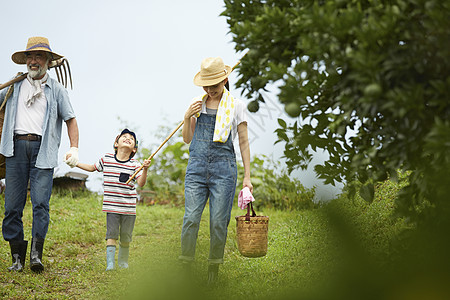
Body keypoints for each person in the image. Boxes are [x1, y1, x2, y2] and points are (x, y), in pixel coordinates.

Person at [0, 37, 79, 273]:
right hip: (14, 149)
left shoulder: (56, 90)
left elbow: (71, 119)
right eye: (30, 57)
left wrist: (74, 147)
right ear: (26, 60)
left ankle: (36, 255)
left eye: (39, 57)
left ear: (47, 61)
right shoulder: (13, 86)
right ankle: (17, 257)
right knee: (12, 205)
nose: (34, 61)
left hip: (42, 152)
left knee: (41, 204)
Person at [180, 57, 253, 284]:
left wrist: (247, 177)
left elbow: (243, 142)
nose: (210, 90)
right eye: (206, 85)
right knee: (191, 218)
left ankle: (214, 267)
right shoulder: (197, 103)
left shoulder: (237, 106)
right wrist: (186, 116)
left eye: (214, 84)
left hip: (224, 169)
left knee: (219, 222)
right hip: (197, 167)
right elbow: (187, 139)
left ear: (225, 80)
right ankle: (186, 264)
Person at [73, 129, 150, 271]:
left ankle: (123, 262)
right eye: (124, 137)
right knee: (111, 234)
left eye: (131, 139)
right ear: (116, 143)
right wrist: (75, 163)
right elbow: (91, 168)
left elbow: (141, 183)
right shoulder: (106, 159)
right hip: (112, 207)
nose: (127, 138)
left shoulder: (135, 164)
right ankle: (110, 263)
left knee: (126, 237)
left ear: (134, 148)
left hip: (128, 208)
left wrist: (144, 169)